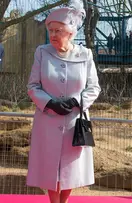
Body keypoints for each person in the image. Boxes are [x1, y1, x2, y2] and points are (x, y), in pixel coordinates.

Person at [25, 0, 101, 202]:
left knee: (70, 169)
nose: (53, 35)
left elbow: (94, 87)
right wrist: (49, 103)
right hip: (48, 121)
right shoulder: (42, 53)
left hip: (74, 122)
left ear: (70, 32)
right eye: (51, 31)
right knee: (50, 168)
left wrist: (77, 101)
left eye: (58, 30)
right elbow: (33, 86)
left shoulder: (85, 55)